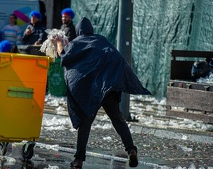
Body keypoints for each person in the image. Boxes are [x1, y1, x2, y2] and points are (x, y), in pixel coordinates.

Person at [51, 17, 151, 168]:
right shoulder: (102, 40)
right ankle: (131, 150)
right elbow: (116, 58)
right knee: (117, 119)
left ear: (79, 32)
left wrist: (59, 43)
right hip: (107, 87)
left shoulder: (77, 43)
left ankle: (78, 160)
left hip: (91, 90)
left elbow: (64, 56)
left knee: (85, 123)